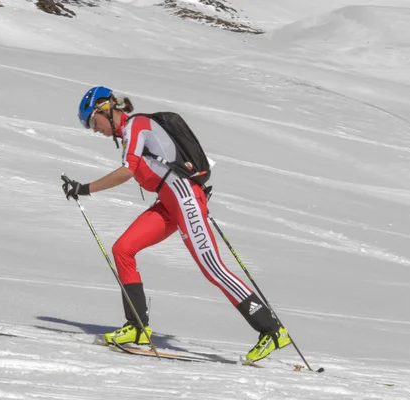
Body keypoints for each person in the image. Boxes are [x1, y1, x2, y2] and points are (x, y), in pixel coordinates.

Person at [62, 86, 291, 362]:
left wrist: (85, 188)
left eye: (92, 122)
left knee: (213, 269)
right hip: (168, 204)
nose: (93, 129)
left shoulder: (136, 125)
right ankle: (137, 327)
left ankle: (272, 330)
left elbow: (128, 171)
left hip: (184, 199)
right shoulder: (128, 134)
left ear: (105, 109)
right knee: (123, 249)